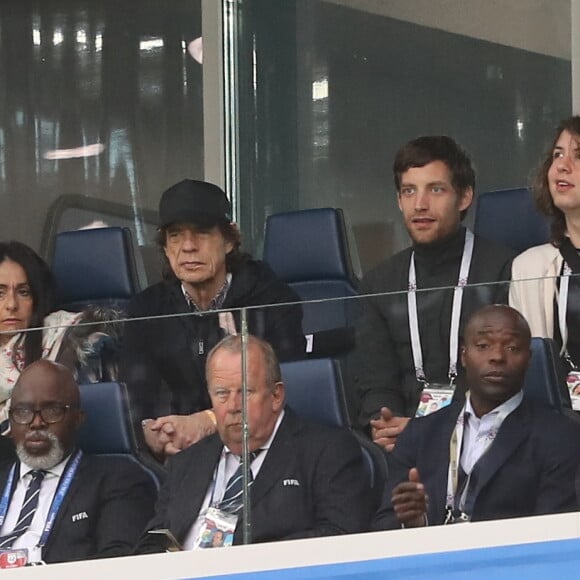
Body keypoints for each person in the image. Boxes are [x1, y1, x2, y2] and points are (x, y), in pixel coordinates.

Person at [120, 180, 305, 459]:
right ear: (166, 247)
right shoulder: (145, 309)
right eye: (176, 236)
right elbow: (135, 395)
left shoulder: (274, 300)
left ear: (229, 240)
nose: (188, 247)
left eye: (202, 233)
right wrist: (151, 430)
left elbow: (288, 389)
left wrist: (208, 422)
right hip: (173, 457)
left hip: (258, 449)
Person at [136, 335, 370, 553]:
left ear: (276, 396)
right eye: (221, 394)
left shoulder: (327, 452)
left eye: (245, 392)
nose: (233, 406)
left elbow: (339, 537)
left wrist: (236, 555)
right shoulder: (186, 462)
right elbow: (153, 539)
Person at [353, 136, 515, 450]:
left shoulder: (502, 269)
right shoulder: (378, 283)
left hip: (485, 437)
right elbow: (375, 380)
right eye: (409, 191)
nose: (420, 204)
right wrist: (383, 422)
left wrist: (428, 430)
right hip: (400, 447)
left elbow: (502, 373)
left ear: (465, 197)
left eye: (435, 189)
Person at [371, 305, 580, 530]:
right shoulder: (419, 434)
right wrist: (414, 523)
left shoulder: (560, 437)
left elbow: (554, 532)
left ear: (528, 359)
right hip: (431, 560)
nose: (497, 356)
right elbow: (384, 524)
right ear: (464, 355)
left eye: (511, 347)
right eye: (483, 346)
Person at [0, 359, 156, 564]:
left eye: (51, 410)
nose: (36, 422)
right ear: (10, 421)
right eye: (23, 412)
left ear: (78, 418)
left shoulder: (119, 480)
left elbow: (120, 562)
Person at [0, 241, 120, 428]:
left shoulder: (68, 340)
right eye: (0, 293)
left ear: (37, 298)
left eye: (23, 292)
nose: (11, 305)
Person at [510, 116, 580, 372]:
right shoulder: (528, 268)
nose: (562, 165)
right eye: (557, 154)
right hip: (551, 409)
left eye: (578, 155)